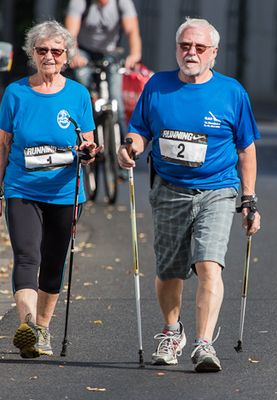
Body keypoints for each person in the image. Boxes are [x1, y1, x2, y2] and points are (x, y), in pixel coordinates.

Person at [117, 17, 261, 372]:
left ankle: (204, 344)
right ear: (177, 49)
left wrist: (248, 198)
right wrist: (129, 147)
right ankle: (172, 331)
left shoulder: (231, 92)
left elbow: (246, 149)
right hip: (169, 190)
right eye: (185, 46)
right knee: (169, 271)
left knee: (209, 263)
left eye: (199, 48)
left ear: (213, 53)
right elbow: (140, 130)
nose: (191, 53)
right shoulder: (157, 86)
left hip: (217, 190)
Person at [0, 20, 101, 358]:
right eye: (42, 50)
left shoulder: (77, 94)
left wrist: (89, 153)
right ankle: (26, 325)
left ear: (67, 57)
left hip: (63, 192)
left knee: (54, 262)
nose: (49, 56)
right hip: (21, 188)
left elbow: (89, 143)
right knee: (28, 255)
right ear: (32, 53)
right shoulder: (16, 93)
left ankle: (42, 329)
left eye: (56, 51)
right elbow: (3, 145)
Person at [65, 0, 142, 138]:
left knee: (116, 98)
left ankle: (124, 144)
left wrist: (135, 55)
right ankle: (82, 133)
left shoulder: (121, 3)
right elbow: (71, 34)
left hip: (110, 52)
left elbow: (132, 31)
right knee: (83, 83)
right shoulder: (81, 2)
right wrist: (74, 55)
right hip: (84, 51)